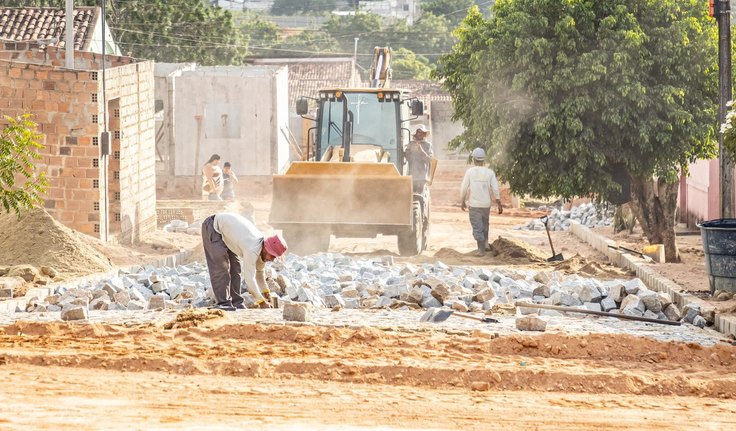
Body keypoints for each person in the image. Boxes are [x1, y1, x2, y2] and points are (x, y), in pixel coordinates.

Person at [201, 212, 288, 311]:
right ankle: (224, 304)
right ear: (266, 248)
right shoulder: (253, 249)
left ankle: (236, 303)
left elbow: (259, 273)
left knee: (235, 267)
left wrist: (265, 292)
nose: (272, 259)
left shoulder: (263, 249)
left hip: (228, 234)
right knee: (221, 267)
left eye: (275, 257)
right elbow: (249, 278)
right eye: (272, 255)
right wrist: (261, 302)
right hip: (213, 226)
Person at [460, 147, 503, 257]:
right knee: (484, 225)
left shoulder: (470, 172)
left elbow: (464, 188)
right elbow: (495, 189)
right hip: (486, 205)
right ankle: (486, 244)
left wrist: (462, 200)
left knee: (477, 227)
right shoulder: (490, 172)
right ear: (484, 160)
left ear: (473, 160)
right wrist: (499, 203)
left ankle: (481, 250)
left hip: (474, 205)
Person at [405, 124, 434, 194]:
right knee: (412, 195)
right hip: (412, 175)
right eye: (418, 132)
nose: (420, 134)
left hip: (422, 176)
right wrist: (408, 151)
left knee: (420, 195)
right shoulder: (411, 144)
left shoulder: (428, 145)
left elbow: (429, 159)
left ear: (424, 134)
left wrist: (421, 151)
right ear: (416, 134)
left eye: (421, 132)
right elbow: (407, 157)